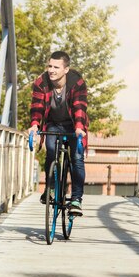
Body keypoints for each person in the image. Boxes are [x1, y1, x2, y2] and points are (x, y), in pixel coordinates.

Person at [28, 51, 88, 216]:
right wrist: (34, 125)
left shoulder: (77, 82)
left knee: (77, 159)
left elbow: (79, 107)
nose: (51, 70)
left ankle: (76, 199)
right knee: (51, 152)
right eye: (49, 66)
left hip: (74, 125)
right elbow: (37, 106)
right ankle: (51, 189)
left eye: (56, 67)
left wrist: (79, 127)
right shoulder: (41, 82)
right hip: (53, 124)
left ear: (66, 69)